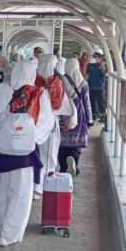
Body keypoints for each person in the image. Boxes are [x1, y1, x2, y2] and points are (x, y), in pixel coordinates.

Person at [0, 60, 55, 247]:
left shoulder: (0, 90)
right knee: (20, 193)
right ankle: (8, 235)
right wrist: (30, 137)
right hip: (25, 153)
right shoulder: (40, 94)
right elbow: (47, 124)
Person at [34, 54, 76, 197]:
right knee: (49, 156)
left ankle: (36, 185)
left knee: (36, 154)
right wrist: (70, 119)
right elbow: (61, 105)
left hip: (33, 125)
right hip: (51, 124)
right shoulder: (56, 83)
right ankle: (43, 187)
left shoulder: (32, 81)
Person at [58, 59, 93, 177]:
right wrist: (89, 120)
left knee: (61, 144)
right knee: (76, 144)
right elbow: (87, 103)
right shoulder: (84, 84)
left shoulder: (61, 81)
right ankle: (74, 161)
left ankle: (63, 167)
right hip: (79, 116)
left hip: (63, 115)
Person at [87, 50, 107, 122]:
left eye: (97, 57)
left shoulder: (103, 65)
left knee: (101, 102)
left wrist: (102, 65)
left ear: (100, 58)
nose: (95, 58)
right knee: (92, 101)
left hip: (99, 86)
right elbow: (86, 73)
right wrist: (87, 63)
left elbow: (104, 73)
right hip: (91, 86)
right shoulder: (90, 65)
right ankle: (94, 115)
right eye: (94, 57)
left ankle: (103, 116)